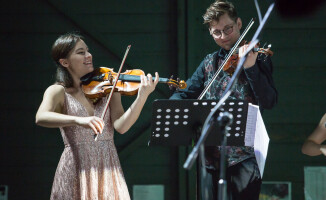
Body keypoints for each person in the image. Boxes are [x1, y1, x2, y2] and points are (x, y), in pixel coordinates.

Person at [170, 1, 278, 199]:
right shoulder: (209, 62)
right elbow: (185, 94)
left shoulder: (258, 58)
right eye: (216, 33)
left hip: (244, 157)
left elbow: (269, 101)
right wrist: (174, 106)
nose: (224, 37)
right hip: (209, 157)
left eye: (228, 29)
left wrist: (251, 68)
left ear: (238, 23)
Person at [35, 33, 159, 200]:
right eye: (80, 52)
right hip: (76, 167)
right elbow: (41, 116)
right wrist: (79, 120)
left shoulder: (108, 87)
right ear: (65, 62)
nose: (88, 55)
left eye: (88, 51)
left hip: (108, 165)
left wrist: (142, 96)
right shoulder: (58, 91)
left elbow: (121, 126)